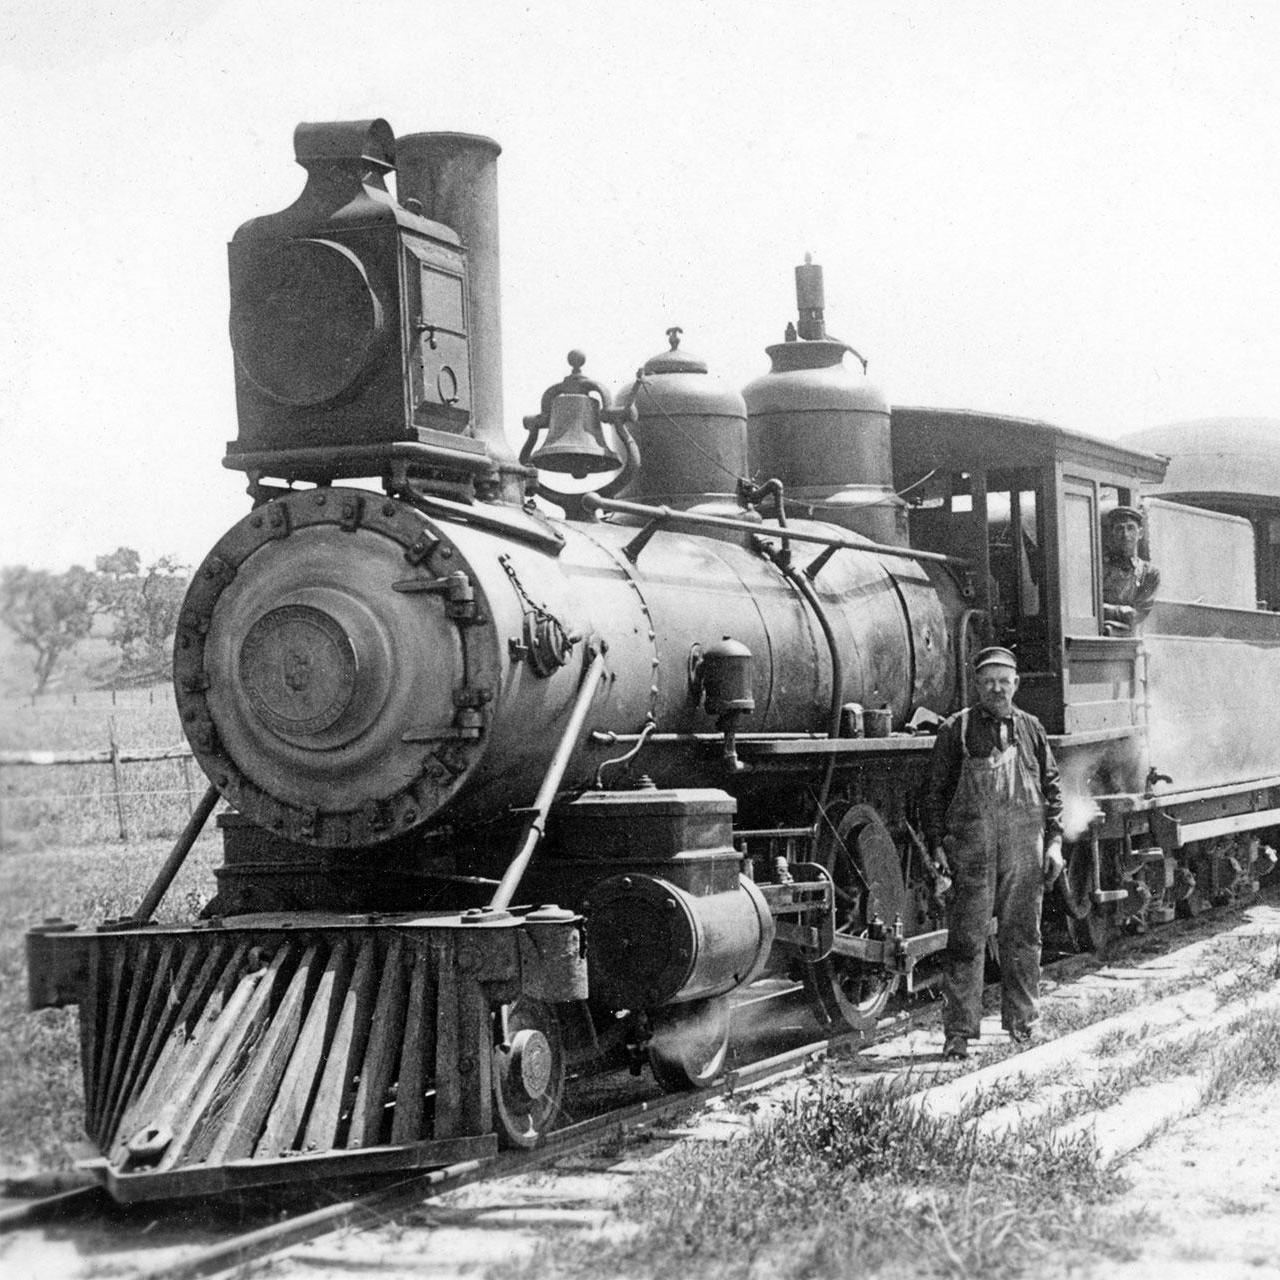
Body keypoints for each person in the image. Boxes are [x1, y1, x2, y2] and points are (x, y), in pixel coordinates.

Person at [925, 646, 1064, 1059]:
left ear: (1015, 684)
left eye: (1004, 681)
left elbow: (1052, 791)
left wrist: (1055, 842)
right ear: (977, 685)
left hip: (1025, 847)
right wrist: (937, 847)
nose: (997, 689)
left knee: (1023, 937)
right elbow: (933, 795)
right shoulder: (957, 729)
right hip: (972, 851)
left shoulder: (1032, 729)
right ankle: (958, 1034)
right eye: (989, 682)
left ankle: (1023, 1025)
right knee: (966, 942)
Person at [1102, 505, 1160, 631]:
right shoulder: (1101, 570)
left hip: (1129, 642)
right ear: (1112, 533)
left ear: (1140, 533)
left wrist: (1104, 609)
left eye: (1131, 528)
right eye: (1119, 529)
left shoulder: (1148, 573)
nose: (1125, 534)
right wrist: (1123, 611)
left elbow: (1137, 615)